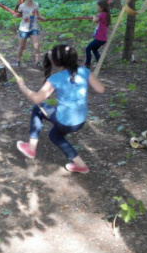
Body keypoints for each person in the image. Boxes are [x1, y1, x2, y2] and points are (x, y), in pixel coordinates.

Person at [15, 44, 105, 173]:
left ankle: (31, 147)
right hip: (80, 121)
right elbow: (101, 89)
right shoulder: (84, 71)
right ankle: (80, 165)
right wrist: (88, 75)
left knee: (37, 109)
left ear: (56, 62)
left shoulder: (55, 79)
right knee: (54, 135)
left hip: (65, 121)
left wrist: (23, 87)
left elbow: (36, 99)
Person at [14, 0, 46, 67]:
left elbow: (38, 13)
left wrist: (42, 17)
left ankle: (37, 62)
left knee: (37, 45)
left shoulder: (36, 5)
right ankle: (18, 60)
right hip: (24, 29)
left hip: (34, 27)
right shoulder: (22, 6)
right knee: (22, 46)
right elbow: (17, 14)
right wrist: (17, 15)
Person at [85, 0, 111, 68]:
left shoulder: (102, 15)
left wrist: (94, 17)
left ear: (102, 7)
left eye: (98, 6)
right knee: (94, 49)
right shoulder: (106, 14)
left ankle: (87, 64)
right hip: (103, 39)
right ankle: (100, 65)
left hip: (99, 38)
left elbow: (95, 21)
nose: (97, 8)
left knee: (88, 48)